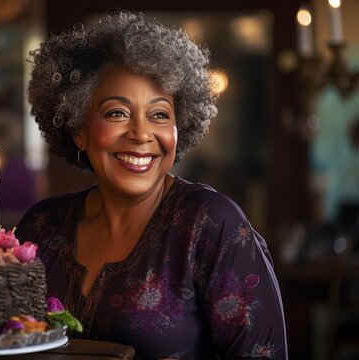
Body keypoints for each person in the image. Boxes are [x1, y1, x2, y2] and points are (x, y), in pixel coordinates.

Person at [16, 10, 288, 359]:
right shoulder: (42, 227)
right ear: (78, 130)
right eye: (117, 113)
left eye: (160, 115)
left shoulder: (209, 224)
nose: (142, 134)